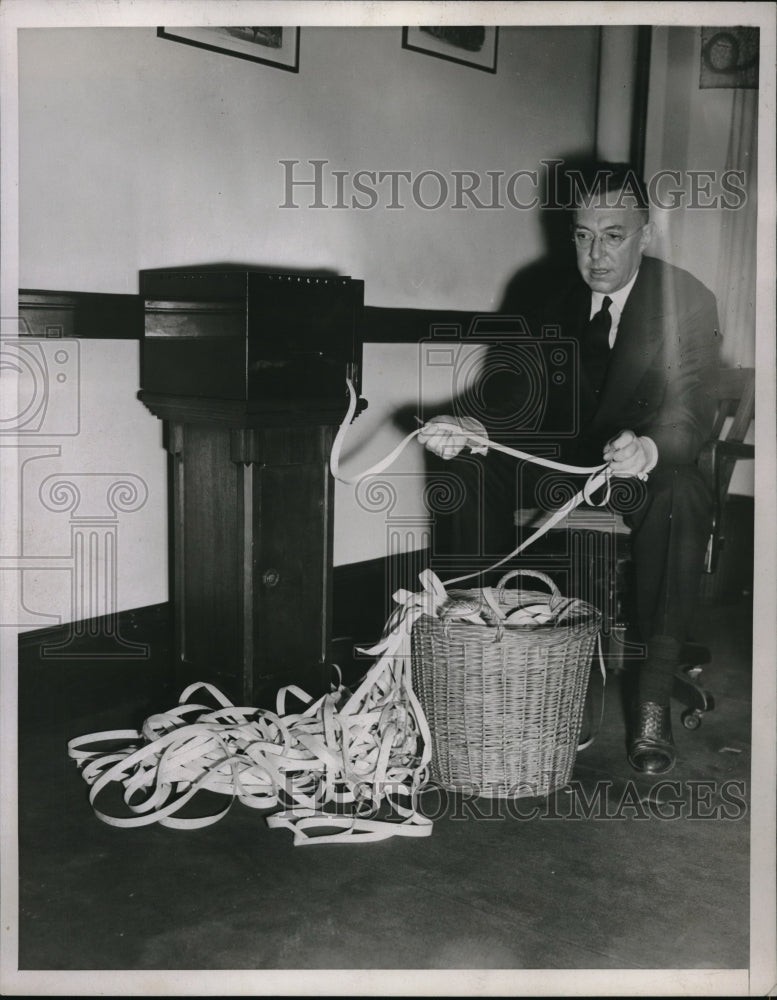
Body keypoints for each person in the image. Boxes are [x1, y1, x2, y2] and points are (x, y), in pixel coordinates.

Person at [418, 163, 721, 775]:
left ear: (646, 234)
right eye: (583, 235)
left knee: (683, 494)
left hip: (639, 469)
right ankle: (485, 658)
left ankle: (652, 698)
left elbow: (693, 406)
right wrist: (474, 427)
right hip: (557, 465)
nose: (596, 255)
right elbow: (510, 393)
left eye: (613, 236)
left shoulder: (686, 299)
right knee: (464, 468)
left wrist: (650, 447)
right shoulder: (541, 294)